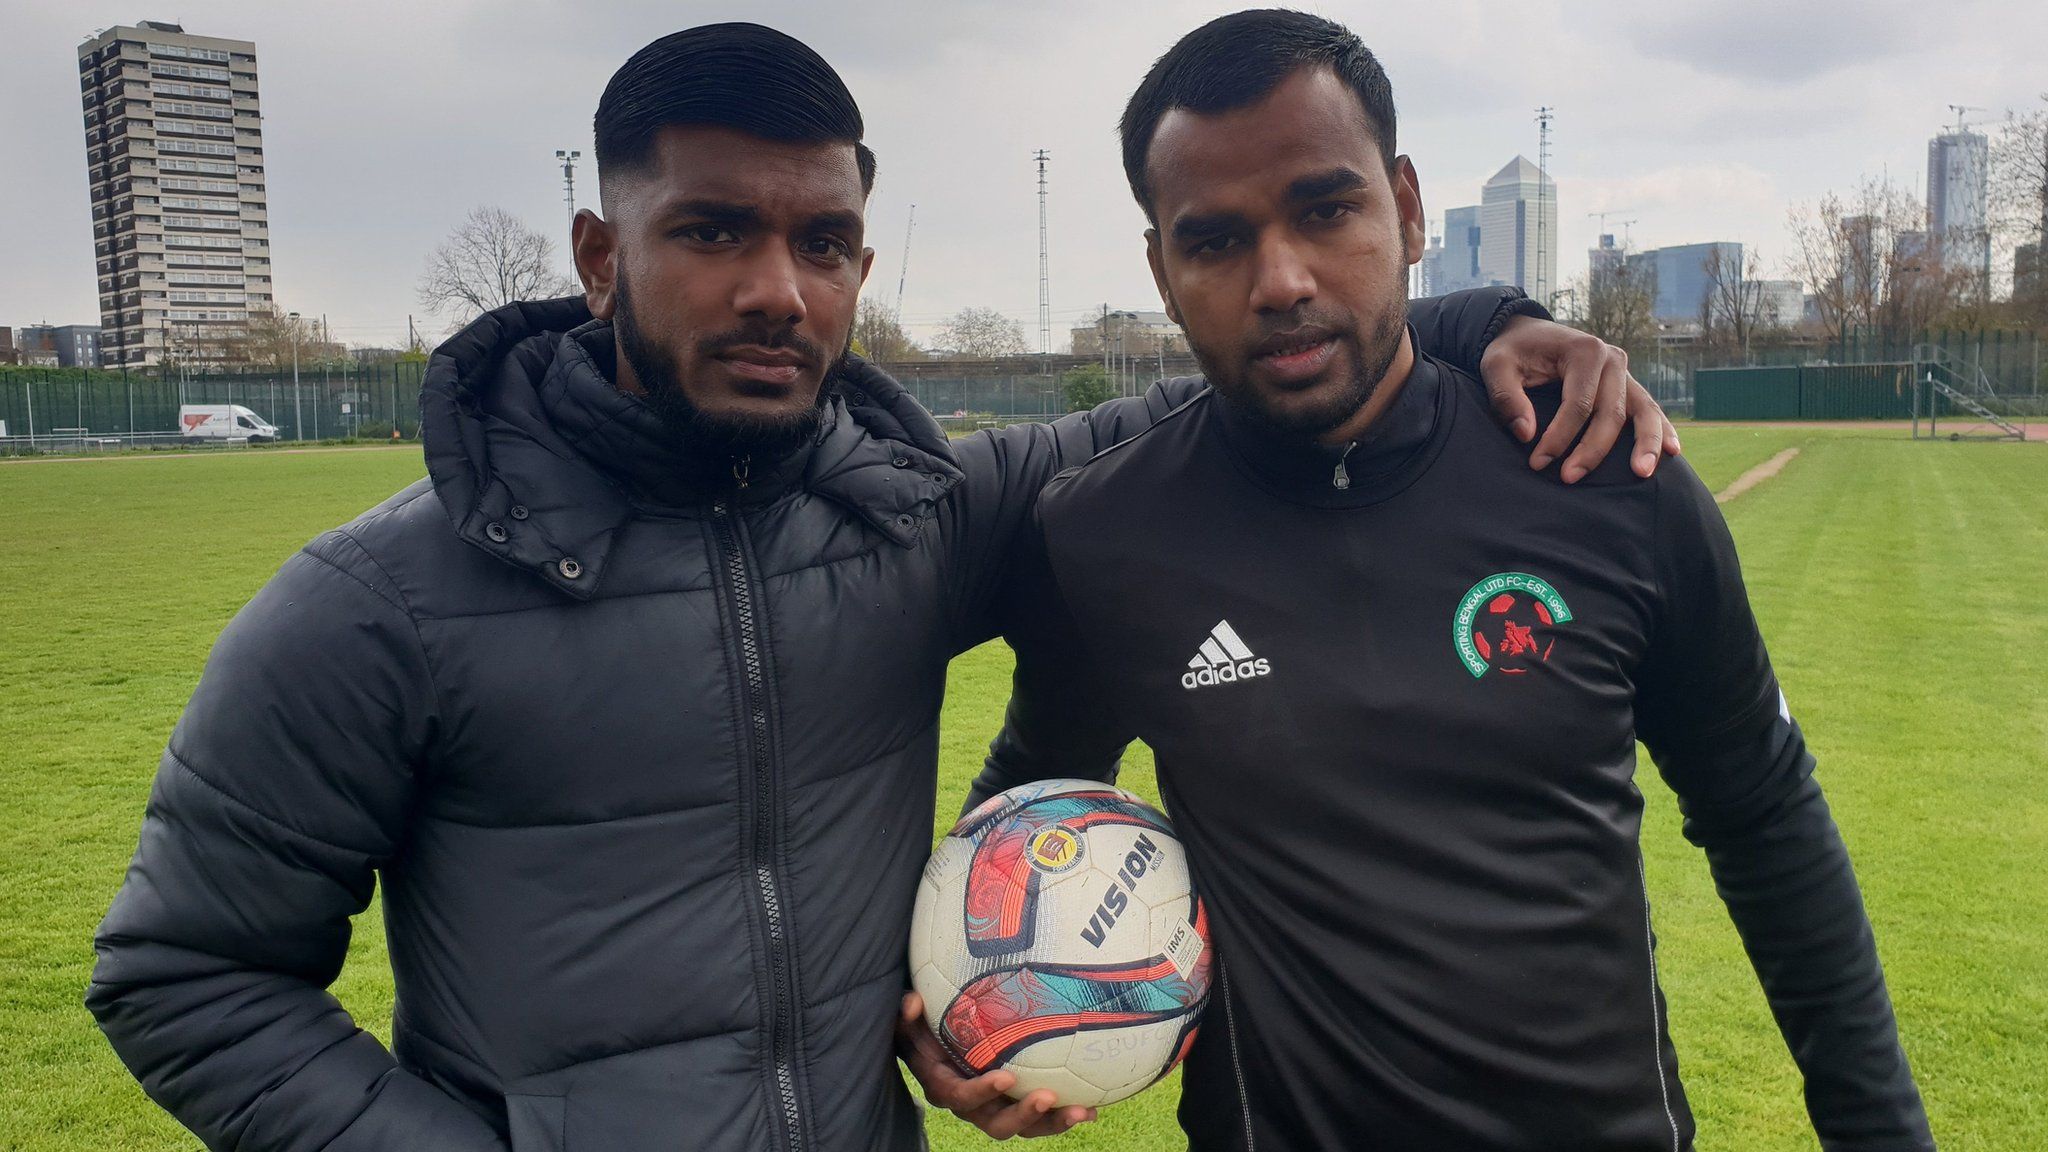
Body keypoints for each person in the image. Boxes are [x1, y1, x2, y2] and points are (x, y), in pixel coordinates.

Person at [86, 22, 1675, 1152]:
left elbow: (1252, 368)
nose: (780, 287)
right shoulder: (379, 602)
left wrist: (1478, 321)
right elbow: (187, 974)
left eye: (828, 241)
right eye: (712, 231)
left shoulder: (922, 522)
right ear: (596, 250)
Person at [929, 10, 1935, 1151]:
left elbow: (1763, 815)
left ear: (1404, 209)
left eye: (1326, 208)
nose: (1281, 278)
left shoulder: (1604, 476)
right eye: (1213, 241)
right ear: (1160, 271)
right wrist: (971, 1001)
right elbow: (1027, 805)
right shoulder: (1106, 536)